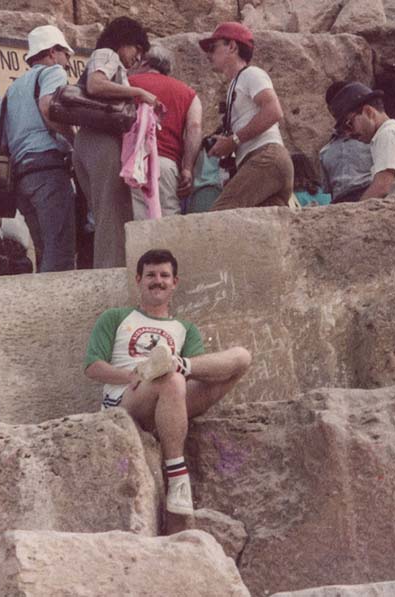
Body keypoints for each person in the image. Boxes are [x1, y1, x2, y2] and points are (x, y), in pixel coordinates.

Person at [84, 249, 252, 515]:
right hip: (127, 401)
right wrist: (133, 375)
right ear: (138, 279)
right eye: (150, 275)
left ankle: (174, 363)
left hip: (172, 399)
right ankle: (178, 478)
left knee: (241, 357)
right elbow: (93, 368)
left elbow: (202, 375)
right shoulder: (115, 317)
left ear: (175, 282)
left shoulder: (185, 329)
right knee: (171, 380)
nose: (157, 280)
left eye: (164, 275)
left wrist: (180, 367)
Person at [73, 16, 159, 269]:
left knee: (105, 214)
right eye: (138, 49)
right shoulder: (108, 55)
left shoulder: (107, 58)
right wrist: (139, 93)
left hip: (90, 141)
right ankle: (113, 275)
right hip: (102, 141)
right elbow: (96, 84)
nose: (138, 58)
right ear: (124, 41)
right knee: (113, 214)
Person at [0, 25, 76, 272]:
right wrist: (74, 141)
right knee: (60, 250)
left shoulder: (12, 90)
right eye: (66, 56)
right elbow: (46, 106)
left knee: (44, 250)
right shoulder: (53, 72)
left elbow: (3, 139)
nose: (67, 63)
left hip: (22, 178)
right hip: (47, 170)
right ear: (53, 52)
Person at [198, 22, 294, 211]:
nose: (209, 55)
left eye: (213, 47)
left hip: (265, 156)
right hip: (264, 161)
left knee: (221, 213)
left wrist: (233, 140)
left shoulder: (251, 74)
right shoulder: (237, 83)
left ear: (232, 46)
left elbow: (274, 111)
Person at [128, 45, 203, 219]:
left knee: (139, 222)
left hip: (135, 162)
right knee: (169, 218)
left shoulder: (129, 84)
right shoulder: (188, 93)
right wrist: (187, 169)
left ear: (145, 61)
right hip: (167, 164)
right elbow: (195, 127)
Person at [319, 81, 373, 204]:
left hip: (369, 196)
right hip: (340, 203)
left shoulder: (374, 138)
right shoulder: (325, 152)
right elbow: (330, 192)